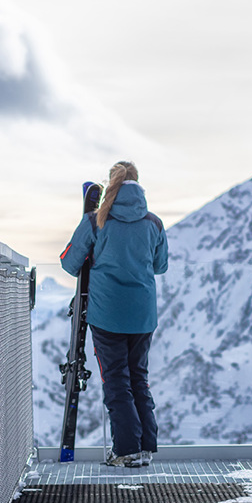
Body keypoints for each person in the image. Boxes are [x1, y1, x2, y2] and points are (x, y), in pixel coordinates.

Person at [60, 161, 169, 467]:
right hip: (143, 314)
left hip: (107, 313)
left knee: (117, 381)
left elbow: (70, 263)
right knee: (138, 378)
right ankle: (145, 447)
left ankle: (126, 450)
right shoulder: (154, 223)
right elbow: (160, 266)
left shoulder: (97, 220)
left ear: (111, 185)